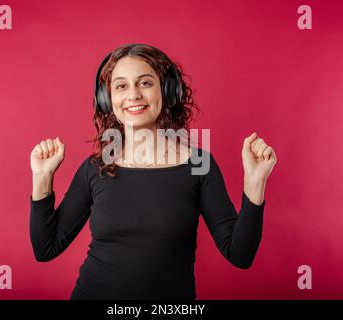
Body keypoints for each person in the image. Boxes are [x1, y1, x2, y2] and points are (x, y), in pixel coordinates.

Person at [29, 43, 277, 300]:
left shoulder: (199, 164)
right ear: (108, 99)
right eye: (121, 86)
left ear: (167, 91)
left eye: (145, 83)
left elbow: (239, 255)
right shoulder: (96, 167)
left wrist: (254, 181)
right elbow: (46, 248)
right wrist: (42, 177)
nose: (133, 94)